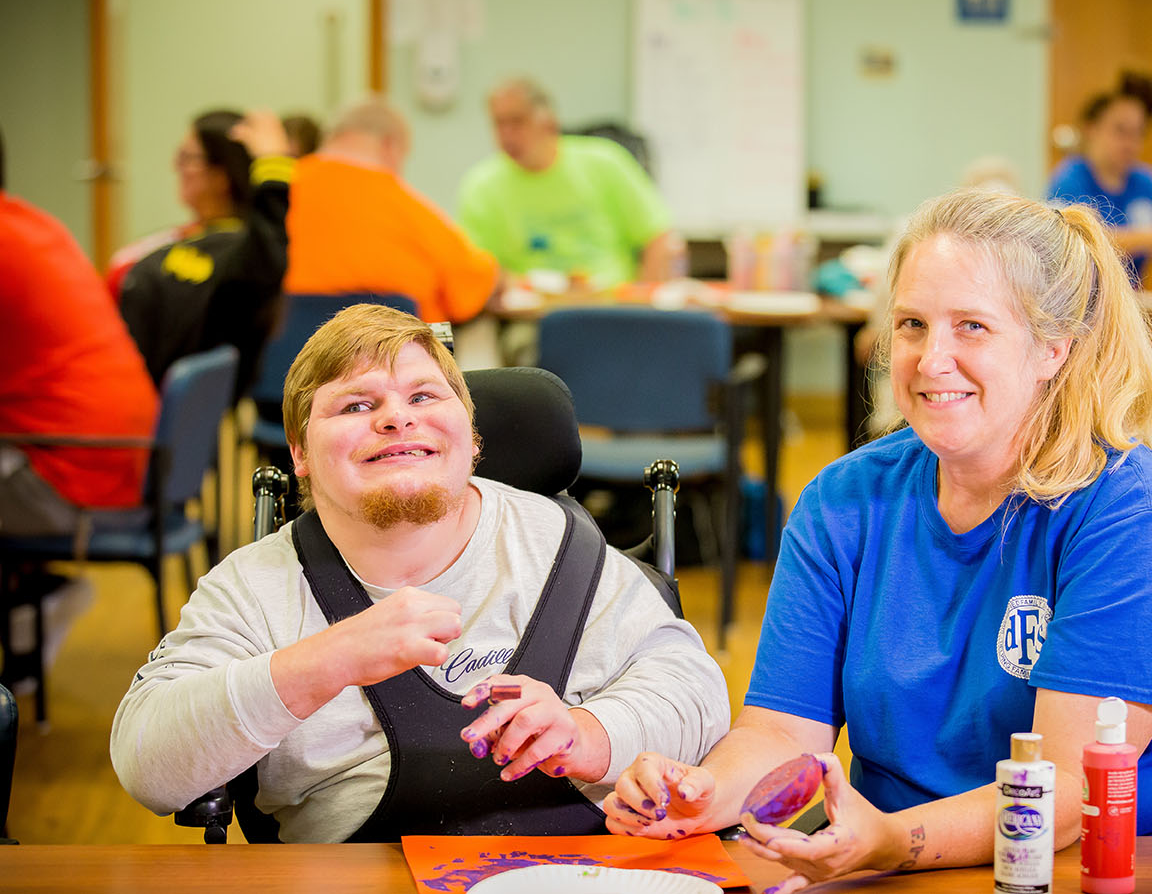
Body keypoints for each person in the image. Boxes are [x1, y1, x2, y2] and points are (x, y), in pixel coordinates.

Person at [604, 189, 1152, 889]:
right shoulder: (843, 501)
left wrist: (888, 840)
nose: (929, 358)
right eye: (912, 324)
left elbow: (1067, 790)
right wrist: (701, 793)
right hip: (908, 867)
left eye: (971, 326)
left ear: (1052, 348)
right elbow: (780, 734)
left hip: (1120, 865)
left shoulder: (1131, 513)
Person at [110, 303, 729, 843]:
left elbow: (697, 695)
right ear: (298, 453)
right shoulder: (253, 589)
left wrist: (589, 733)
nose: (397, 418)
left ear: (472, 434)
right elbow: (148, 767)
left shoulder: (561, 544)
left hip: (581, 868)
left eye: (425, 396)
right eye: (356, 404)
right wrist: (323, 661)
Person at [0, 123, 159, 683]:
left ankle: (31, 596)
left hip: (76, 480)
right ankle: (30, 596)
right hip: (122, 463)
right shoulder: (33, 223)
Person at [115, 109, 292, 395]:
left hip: (150, 411)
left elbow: (269, 256)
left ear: (221, 176)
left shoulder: (239, 254)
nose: (177, 167)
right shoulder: (190, 237)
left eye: (188, 158)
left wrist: (273, 169)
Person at [283, 97, 498, 326]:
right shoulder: (408, 209)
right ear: (389, 145)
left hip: (289, 355)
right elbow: (471, 288)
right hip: (389, 355)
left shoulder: (281, 190)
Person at [456, 77, 673, 290]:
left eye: (518, 121)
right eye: (499, 123)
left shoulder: (605, 161)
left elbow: (660, 240)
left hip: (612, 307)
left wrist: (645, 304)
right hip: (530, 314)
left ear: (549, 123)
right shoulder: (481, 185)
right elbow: (479, 268)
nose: (507, 134)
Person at [1048, 71, 1152, 285]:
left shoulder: (1147, 181)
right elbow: (1074, 241)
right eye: (1120, 131)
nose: (1130, 143)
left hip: (1127, 302)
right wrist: (1150, 238)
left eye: (1138, 133)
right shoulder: (1070, 178)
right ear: (1091, 129)